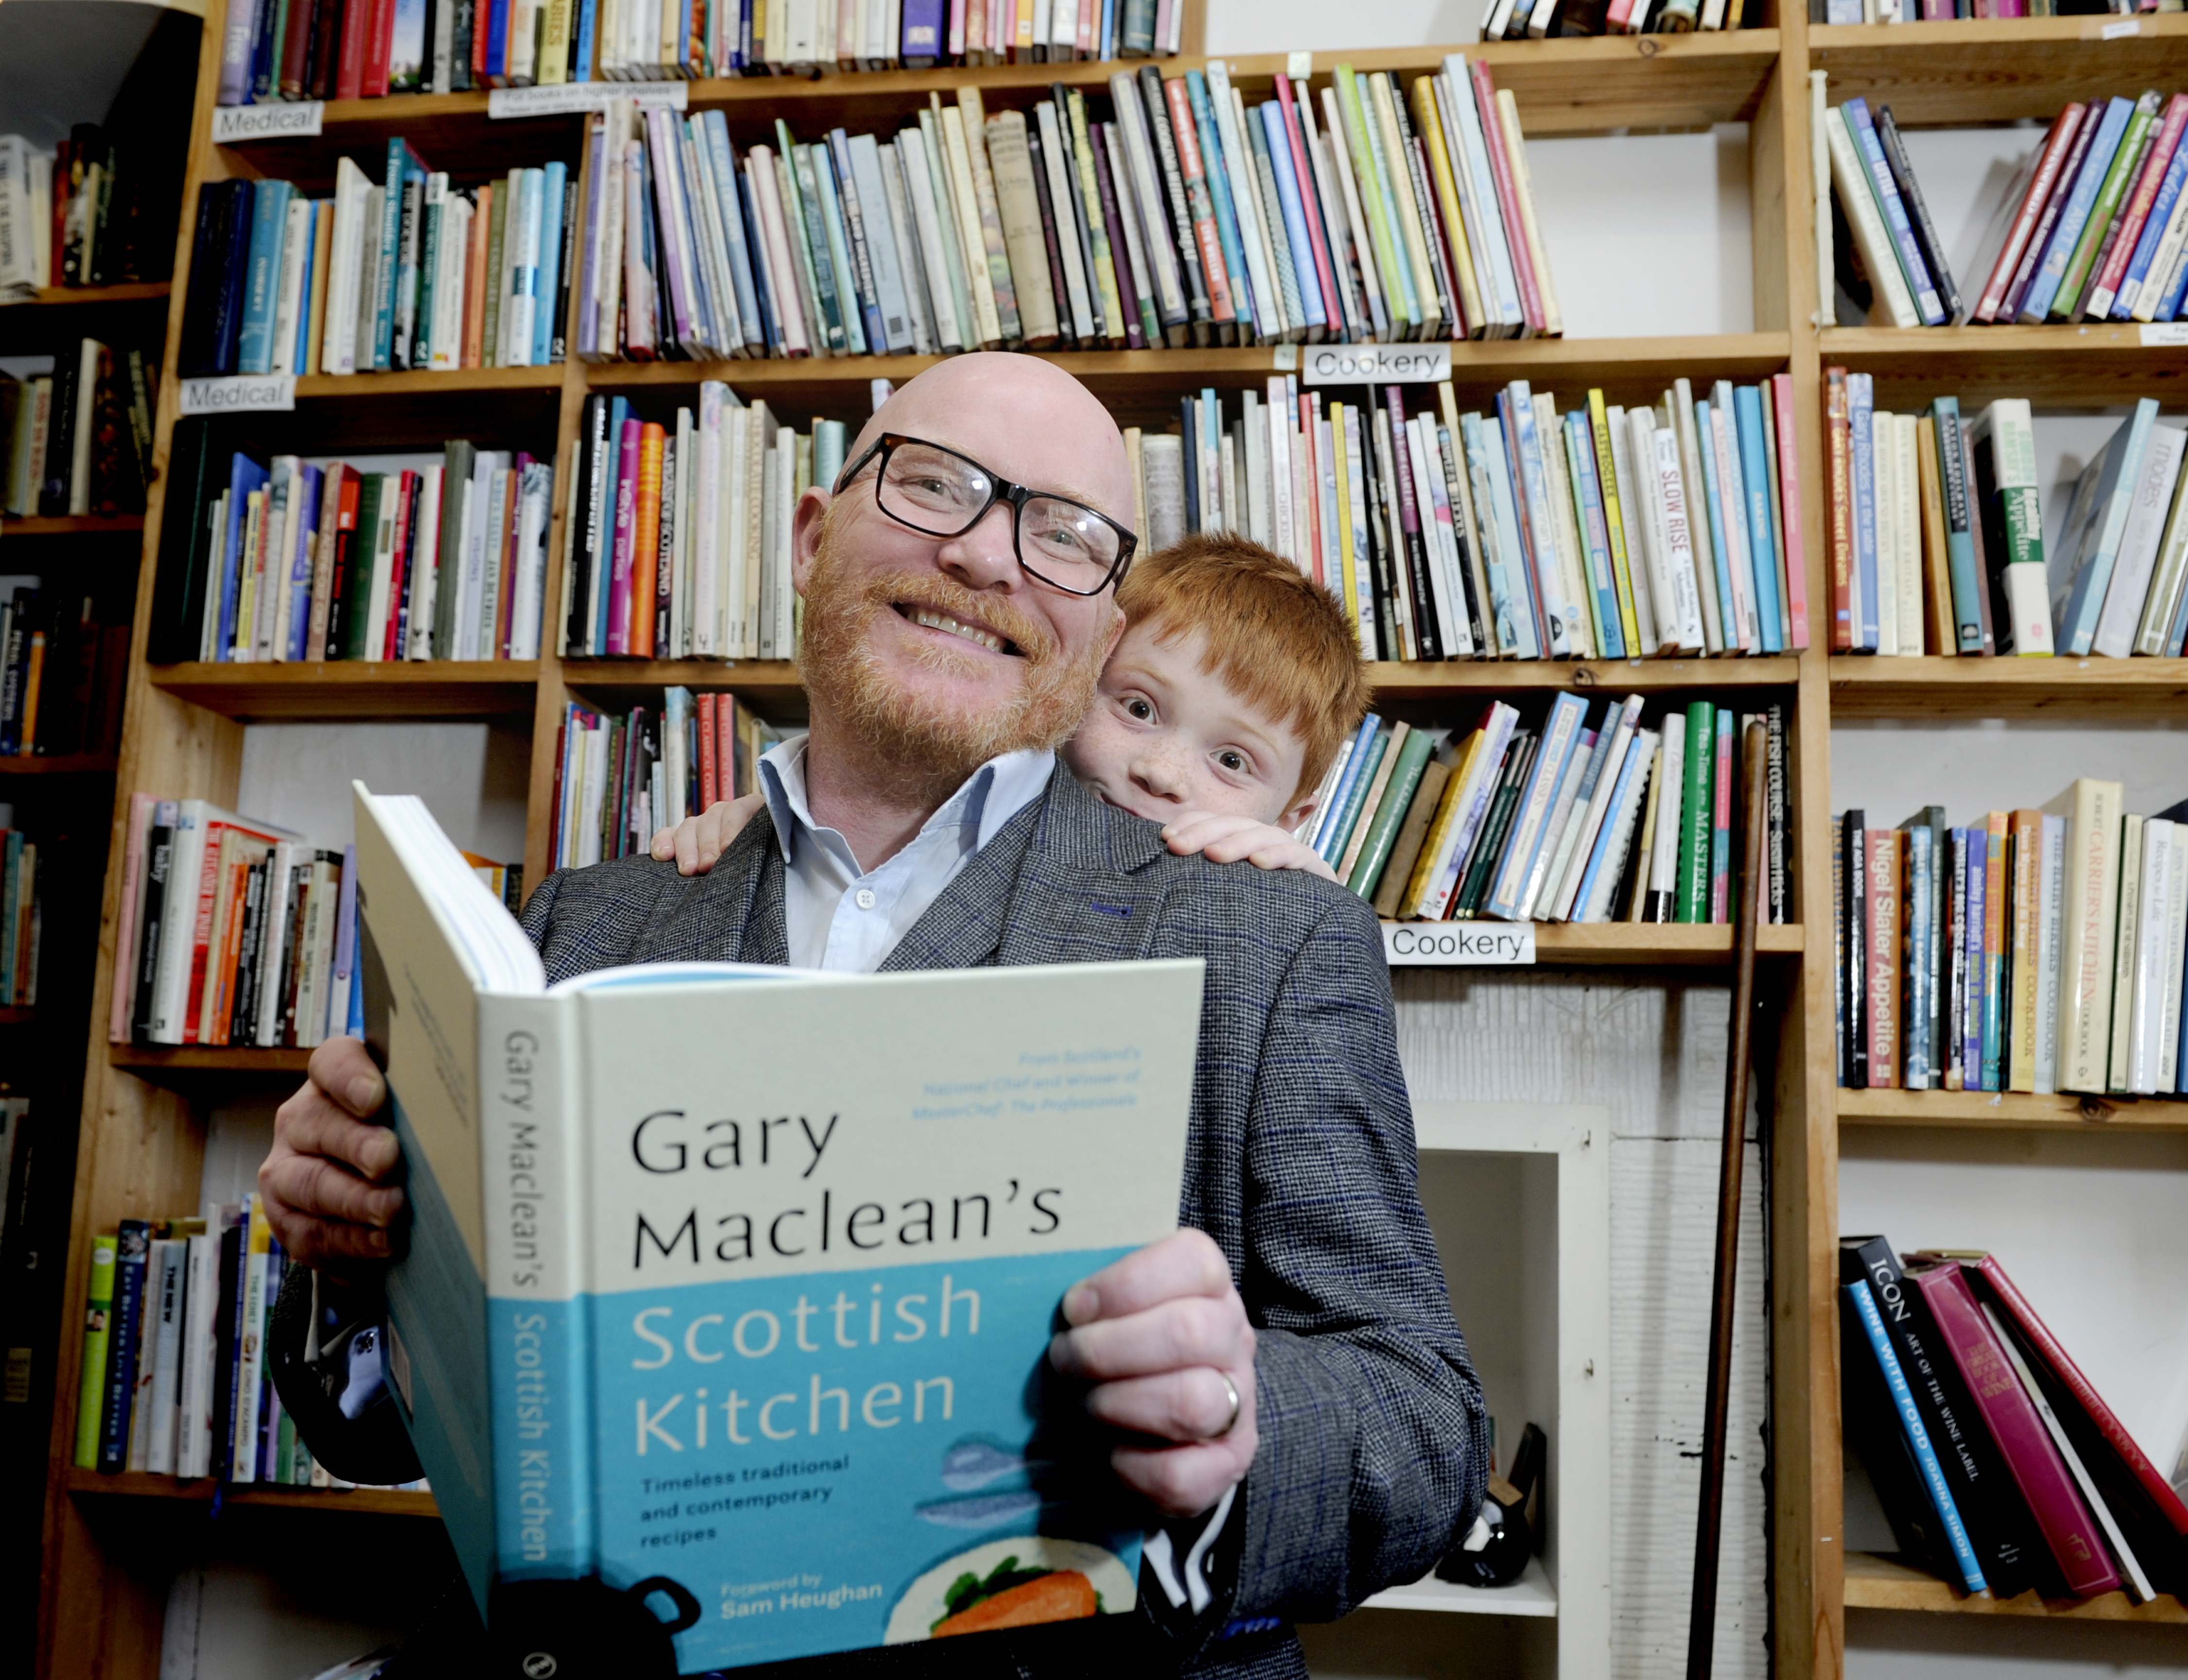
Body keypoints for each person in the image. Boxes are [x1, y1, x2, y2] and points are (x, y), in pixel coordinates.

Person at [258, 353, 1485, 1680]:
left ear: (1098, 624)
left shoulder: (1272, 937)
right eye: (934, 484)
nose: (982, 556)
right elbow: (374, 1431)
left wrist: (1232, 1417)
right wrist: (352, 1258)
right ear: (809, 535)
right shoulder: (573, 934)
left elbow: (1421, 1430)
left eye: (1064, 536)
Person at [646, 532, 1357, 882]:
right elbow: (871, 818)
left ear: (1293, 816)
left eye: (1232, 760)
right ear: (1075, 681)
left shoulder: (1275, 901)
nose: (1162, 772)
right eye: (1139, 709)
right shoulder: (978, 809)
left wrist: (1311, 899)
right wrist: (771, 829)